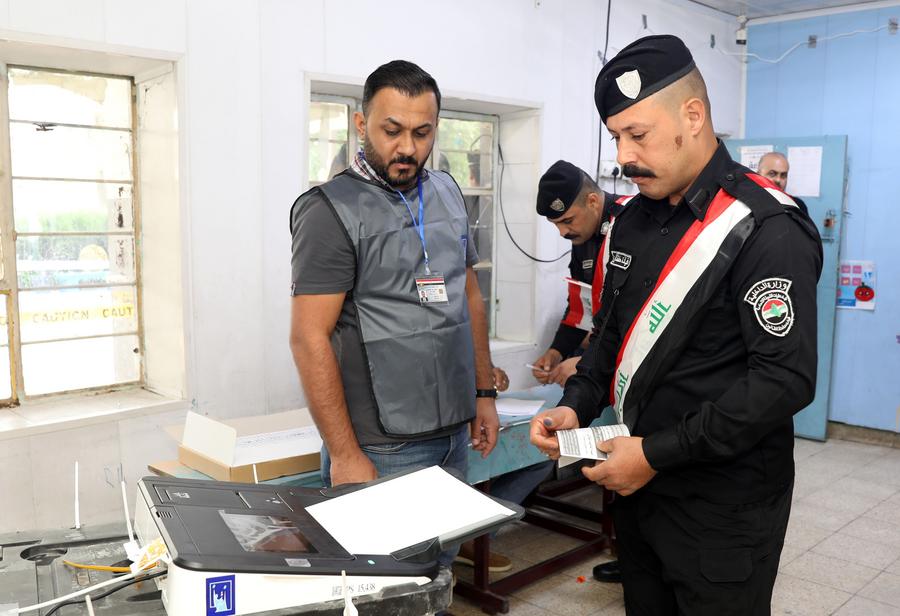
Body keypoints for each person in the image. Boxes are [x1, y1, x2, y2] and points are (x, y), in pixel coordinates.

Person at [530, 34, 822, 615]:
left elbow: (783, 381)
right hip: (636, 487)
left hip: (723, 503)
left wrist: (657, 453)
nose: (624, 155)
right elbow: (610, 335)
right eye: (616, 137)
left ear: (692, 116)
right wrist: (576, 405)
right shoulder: (631, 222)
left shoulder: (765, 228)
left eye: (637, 135)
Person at [289, 59, 499, 519]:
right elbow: (308, 337)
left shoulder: (447, 192)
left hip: (454, 432)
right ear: (361, 124)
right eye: (392, 131)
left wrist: (484, 395)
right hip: (383, 447)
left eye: (422, 133)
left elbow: (469, 297)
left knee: (443, 556)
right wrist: (344, 453)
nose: (407, 147)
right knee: (384, 565)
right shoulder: (329, 211)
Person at [531, 161, 629, 388]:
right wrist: (557, 351)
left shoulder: (630, 225)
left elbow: (635, 319)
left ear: (592, 201)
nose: (562, 232)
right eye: (556, 224)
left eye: (567, 221)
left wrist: (588, 362)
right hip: (603, 356)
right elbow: (580, 307)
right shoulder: (582, 235)